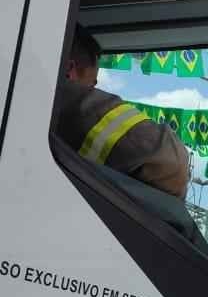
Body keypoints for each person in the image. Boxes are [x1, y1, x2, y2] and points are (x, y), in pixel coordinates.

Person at [54, 25, 190, 199]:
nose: (94, 91)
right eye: (92, 84)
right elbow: (171, 162)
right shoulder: (58, 99)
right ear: (68, 71)